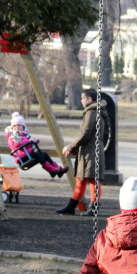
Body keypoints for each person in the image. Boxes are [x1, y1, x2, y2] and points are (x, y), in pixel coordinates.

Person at [56, 88, 109, 216]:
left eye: (82, 98)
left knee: (92, 180)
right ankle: (71, 206)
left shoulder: (91, 113)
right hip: (88, 150)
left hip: (91, 152)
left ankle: (93, 208)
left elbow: (85, 133)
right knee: (81, 179)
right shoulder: (95, 112)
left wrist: (70, 147)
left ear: (89, 99)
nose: (81, 101)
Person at [5, 112, 68, 178]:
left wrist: (35, 140)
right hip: (22, 157)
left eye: (19, 126)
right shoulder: (12, 136)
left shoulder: (24, 135)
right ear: (12, 127)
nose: (17, 128)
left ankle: (58, 169)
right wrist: (23, 140)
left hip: (29, 154)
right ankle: (52, 170)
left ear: (23, 127)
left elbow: (29, 140)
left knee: (44, 154)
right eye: (15, 126)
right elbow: (16, 145)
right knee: (38, 156)